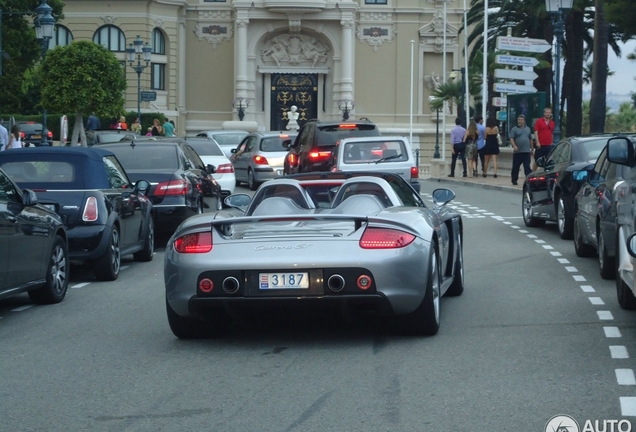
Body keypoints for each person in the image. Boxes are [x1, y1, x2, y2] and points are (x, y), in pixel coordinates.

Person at [509, 114, 533, 186]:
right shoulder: (514, 129)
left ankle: (528, 180)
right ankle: (514, 180)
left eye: (521, 120)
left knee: (527, 166)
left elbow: (530, 138)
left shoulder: (528, 129)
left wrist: (532, 148)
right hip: (518, 152)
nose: (519, 121)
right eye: (519, 120)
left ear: (524, 121)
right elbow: (511, 138)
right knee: (516, 166)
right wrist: (514, 146)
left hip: (526, 151)